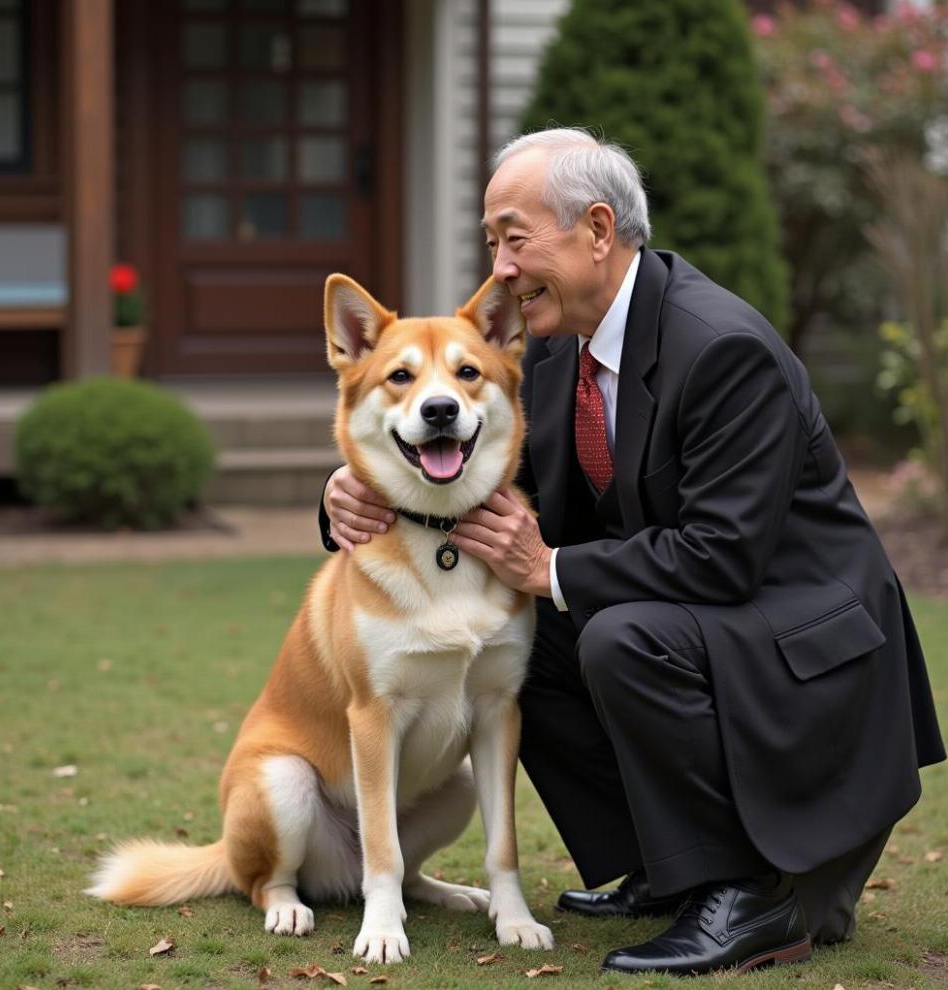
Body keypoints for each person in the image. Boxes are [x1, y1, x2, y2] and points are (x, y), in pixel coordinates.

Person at [319, 128, 945, 976]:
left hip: (808, 651)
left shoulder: (721, 347)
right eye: (490, 241)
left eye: (514, 237)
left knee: (613, 634)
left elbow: (724, 556)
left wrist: (554, 569)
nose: (497, 267)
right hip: (720, 624)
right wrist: (354, 492)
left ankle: (749, 895)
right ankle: (668, 869)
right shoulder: (550, 350)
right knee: (517, 647)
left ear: (598, 230)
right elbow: (486, 478)